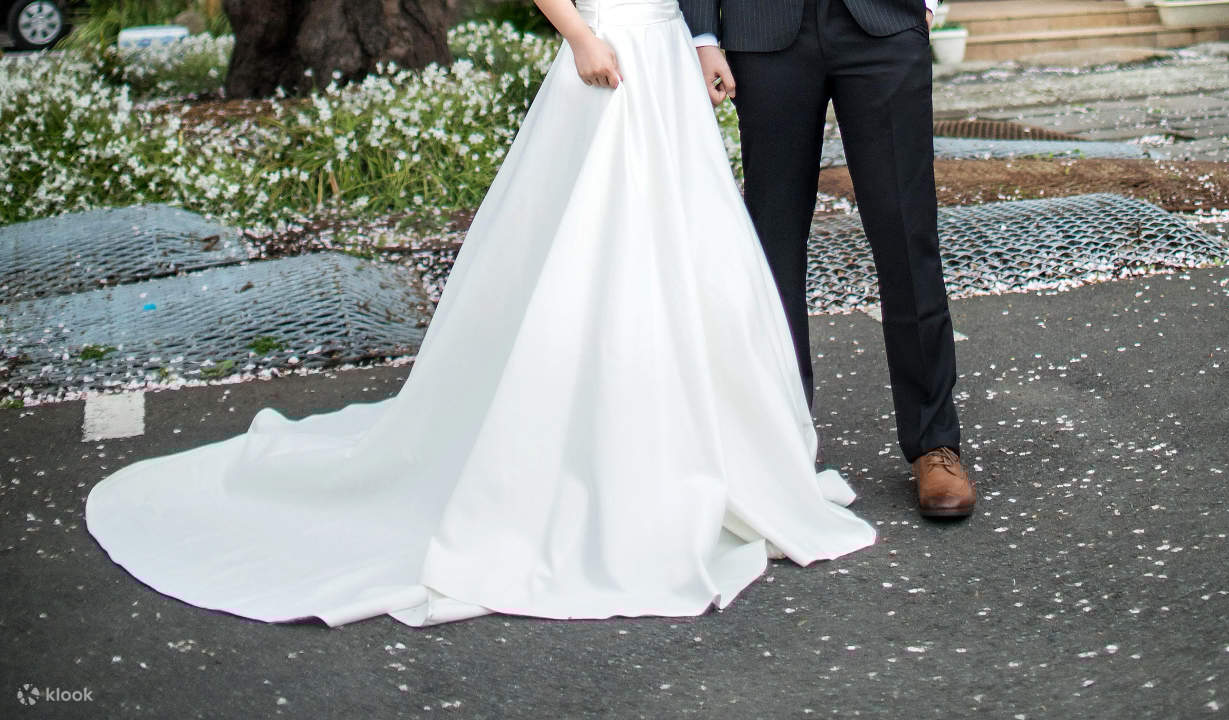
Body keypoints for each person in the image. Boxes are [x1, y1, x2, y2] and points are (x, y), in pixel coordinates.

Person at [84, 0, 875, 628]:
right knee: (590, 253)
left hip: (666, 58)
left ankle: (702, 445)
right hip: (606, 55)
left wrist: (702, 44)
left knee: (688, 257)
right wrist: (578, 33)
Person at [678, 0, 977, 518]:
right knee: (771, 248)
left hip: (884, 24)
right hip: (765, 30)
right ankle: (781, 443)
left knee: (907, 237)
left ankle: (934, 444)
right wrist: (702, 35)